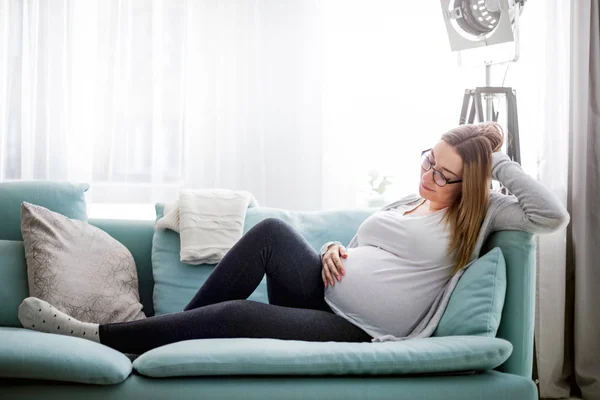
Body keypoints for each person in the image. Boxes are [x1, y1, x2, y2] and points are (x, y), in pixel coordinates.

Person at [17, 122, 570, 355]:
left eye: (445, 173)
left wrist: (496, 160)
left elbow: (551, 217)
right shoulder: (411, 200)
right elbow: (367, 246)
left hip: (360, 330)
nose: (428, 176)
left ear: (469, 182)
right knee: (272, 233)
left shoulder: (483, 215)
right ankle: (164, 336)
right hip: (323, 293)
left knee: (241, 317)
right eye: (429, 161)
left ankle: (100, 336)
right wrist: (334, 250)